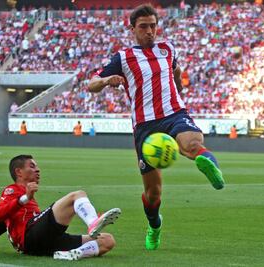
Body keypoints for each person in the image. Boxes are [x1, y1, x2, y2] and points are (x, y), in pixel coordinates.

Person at [88, 4, 224, 251]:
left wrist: (178, 88)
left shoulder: (168, 49)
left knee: (192, 143)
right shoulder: (123, 57)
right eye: (144, 27)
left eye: (153, 26)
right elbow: (91, 83)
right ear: (133, 29)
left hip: (174, 113)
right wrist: (108, 80)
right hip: (145, 126)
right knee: (153, 194)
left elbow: (176, 71)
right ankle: (154, 225)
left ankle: (210, 166)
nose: (150, 31)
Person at [0, 155, 121, 261]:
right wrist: (24, 198)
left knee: (108, 240)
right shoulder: (12, 190)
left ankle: (72, 254)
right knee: (77, 195)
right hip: (29, 238)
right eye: (32, 166)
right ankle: (93, 222)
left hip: (44, 244)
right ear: (19, 172)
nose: (38, 169)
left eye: (37, 166)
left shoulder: (27, 197)